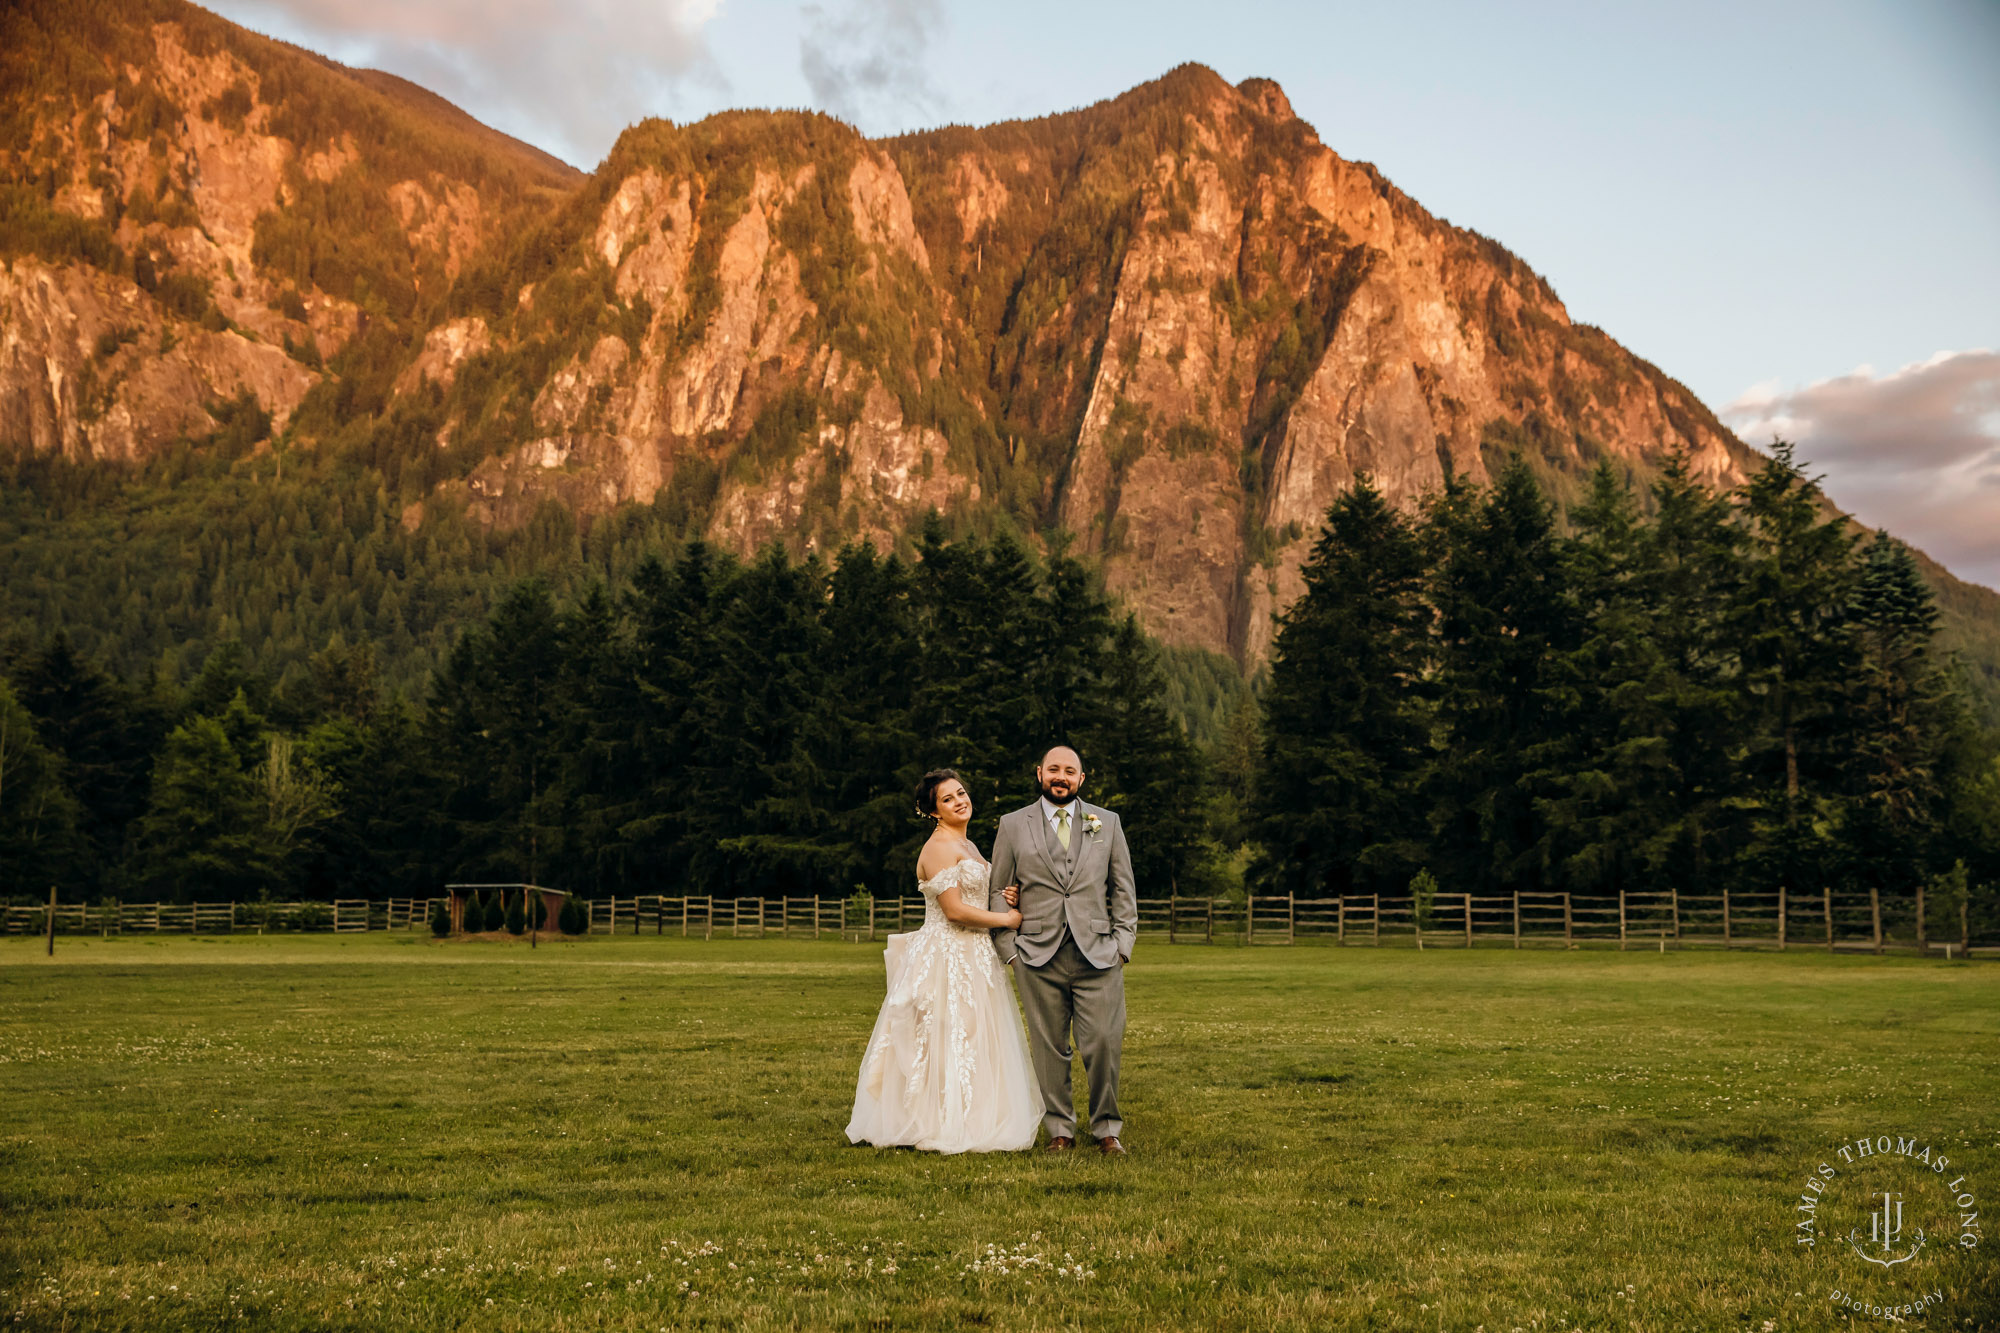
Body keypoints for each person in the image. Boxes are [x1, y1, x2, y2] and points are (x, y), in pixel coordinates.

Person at [845, 769, 1041, 1153]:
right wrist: (1006, 919)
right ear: (934, 811)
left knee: (975, 1035)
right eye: (948, 799)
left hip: (976, 955)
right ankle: (936, 1120)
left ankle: (976, 1115)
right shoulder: (937, 847)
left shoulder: (968, 846)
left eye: (961, 793)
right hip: (947, 954)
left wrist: (1007, 898)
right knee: (946, 1034)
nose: (959, 801)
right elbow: (953, 910)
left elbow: (980, 895)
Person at [989, 744, 1137, 1154]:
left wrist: (1122, 944)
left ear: (1081, 779)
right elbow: (997, 889)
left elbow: (1123, 888)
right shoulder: (1013, 824)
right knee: (1048, 1046)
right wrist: (1010, 950)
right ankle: (1060, 1131)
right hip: (1036, 955)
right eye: (1053, 769)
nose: (1061, 776)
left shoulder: (1107, 822)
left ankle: (1107, 1128)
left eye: (1069, 771)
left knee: (1105, 1041)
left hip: (1099, 954)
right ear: (1039, 773)